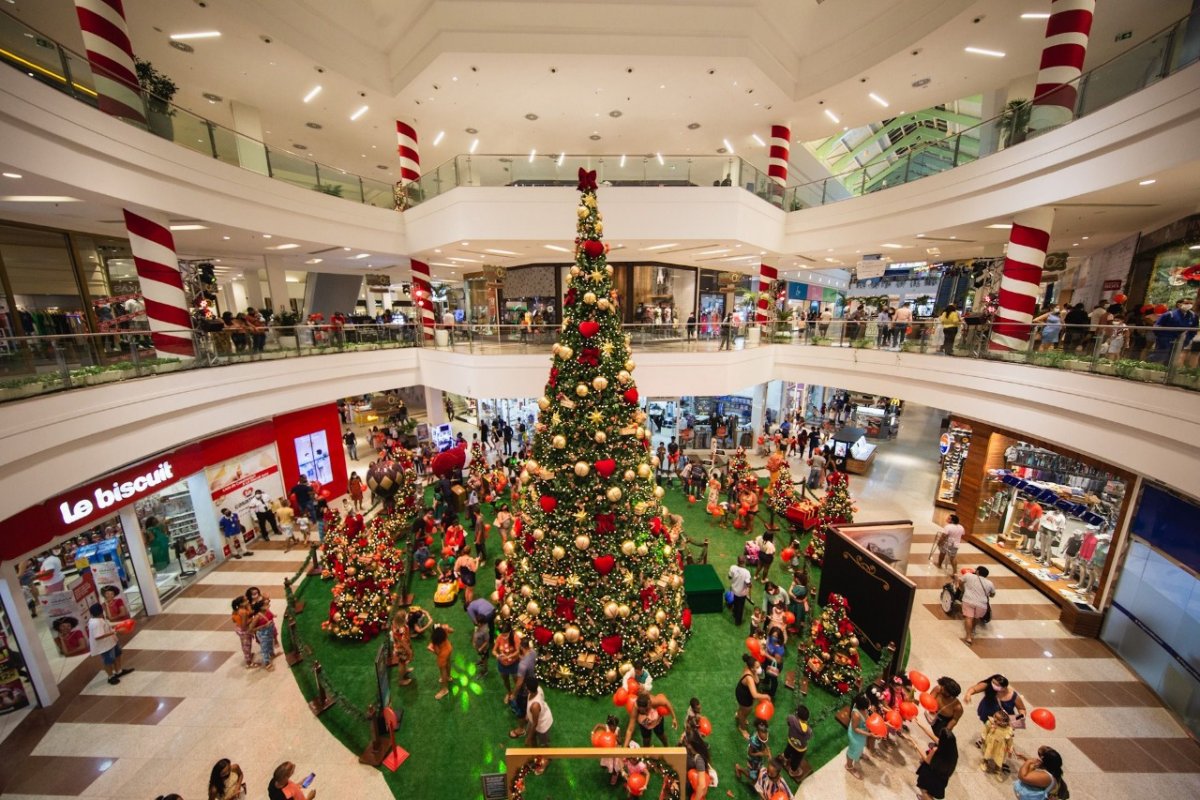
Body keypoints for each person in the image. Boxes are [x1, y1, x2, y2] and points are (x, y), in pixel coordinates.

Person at [909, 721, 958, 800]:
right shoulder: (952, 751)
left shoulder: (936, 750)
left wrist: (915, 744)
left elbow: (926, 759)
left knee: (924, 791)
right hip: (942, 779)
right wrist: (920, 724)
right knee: (930, 792)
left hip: (930, 775)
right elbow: (932, 736)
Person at [88, 602, 130, 685]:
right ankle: (110, 677)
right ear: (101, 611)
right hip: (105, 646)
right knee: (108, 661)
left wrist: (123, 622)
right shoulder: (96, 623)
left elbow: (108, 624)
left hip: (112, 642)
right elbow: (98, 636)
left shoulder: (100, 618)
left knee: (117, 655)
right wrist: (116, 631)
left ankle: (119, 671)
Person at [1150, 298, 1198, 363]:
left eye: (1191, 303)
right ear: (1179, 304)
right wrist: (1163, 337)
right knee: (1159, 356)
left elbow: (1193, 329)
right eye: (1186, 303)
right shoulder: (1169, 314)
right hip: (1165, 340)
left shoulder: (1193, 316)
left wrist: (1187, 339)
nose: (1189, 305)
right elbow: (1157, 327)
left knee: (1172, 359)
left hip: (1180, 341)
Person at [523, 675, 554, 773]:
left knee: (544, 744)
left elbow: (535, 724)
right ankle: (536, 756)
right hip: (535, 720)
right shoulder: (537, 688)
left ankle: (547, 759)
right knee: (532, 738)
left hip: (542, 724)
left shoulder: (535, 706)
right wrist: (528, 715)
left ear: (527, 688)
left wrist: (528, 738)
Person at [956, 566, 995, 645]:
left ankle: (968, 637)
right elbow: (992, 594)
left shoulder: (968, 576)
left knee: (969, 617)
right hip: (982, 604)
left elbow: (960, 582)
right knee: (976, 618)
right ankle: (973, 630)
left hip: (968, 600)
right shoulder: (990, 583)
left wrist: (963, 588)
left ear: (977, 571)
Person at [735, 654, 770, 739]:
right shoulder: (749, 678)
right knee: (745, 712)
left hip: (744, 692)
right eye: (757, 667)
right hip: (744, 696)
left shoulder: (750, 669)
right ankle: (742, 728)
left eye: (759, 666)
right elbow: (754, 694)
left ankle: (738, 714)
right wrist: (765, 696)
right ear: (751, 668)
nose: (759, 668)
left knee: (742, 710)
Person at [733, 718, 771, 783]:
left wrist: (769, 754)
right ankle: (739, 768)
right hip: (753, 759)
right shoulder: (753, 742)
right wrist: (760, 753)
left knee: (759, 769)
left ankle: (756, 774)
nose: (764, 740)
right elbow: (750, 753)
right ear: (758, 734)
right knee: (753, 776)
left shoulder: (764, 734)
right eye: (762, 739)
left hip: (759, 758)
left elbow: (765, 743)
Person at [782, 704, 813, 783]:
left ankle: (785, 759)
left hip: (791, 741)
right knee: (796, 759)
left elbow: (788, 721)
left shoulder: (791, 718)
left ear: (797, 714)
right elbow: (809, 737)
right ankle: (793, 771)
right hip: (800, 748)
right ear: (807, 719)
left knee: (788, 750)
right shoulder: (808, 730)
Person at [845, 693, 871, 779]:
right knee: (853, 750)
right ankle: (849, 766)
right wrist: (869, 734)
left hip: (862, 732)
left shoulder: (861, 706)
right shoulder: (856, 715)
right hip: (855, 735)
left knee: (860, 746)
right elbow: (855, 728)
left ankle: (859, 753)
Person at [981, 709, 1015, 773]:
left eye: (998, 719)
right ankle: (985, 762)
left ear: (1005, 722)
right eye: (995, 717)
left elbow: (1009, 740)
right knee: (987, 753)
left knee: (999, 757)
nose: (995, 719)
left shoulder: (1008, 730)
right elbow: (985, 730)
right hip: (990, 742)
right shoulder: (990, 723)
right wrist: (983, 737)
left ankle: (997, 767)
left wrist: (1010, 748)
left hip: (1001, 746)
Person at [493, 624, 522, 696]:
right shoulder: (500, 637)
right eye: (503, 634)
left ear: (509, 632)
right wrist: (497, 655)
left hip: (514, 664)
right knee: (505, 680)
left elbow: (518, 651)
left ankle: (517, 693)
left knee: (516, 679)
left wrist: (508, 656)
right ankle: (509, 692)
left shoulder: (515, 637)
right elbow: (494, 650)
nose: (504, 637)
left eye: (505, 635)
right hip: (502, 664)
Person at [428, 622, 454, 700]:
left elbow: (437, 652)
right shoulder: (443, 631)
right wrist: (447, 627)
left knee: (443, 671)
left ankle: (444, 689)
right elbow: (452, 630)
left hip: (442, 655)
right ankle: (449, 677)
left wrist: (432, 649)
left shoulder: (435, 639)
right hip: (449, 648)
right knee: (448, 662)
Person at [231, 596, 257, 669]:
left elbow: (234, 620)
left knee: (244, 644)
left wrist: (248, 606)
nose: (248, 601)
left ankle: (248, 657)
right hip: (244, 631)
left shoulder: (236, 610)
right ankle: (249, 663)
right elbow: (244, 626)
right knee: (247, 646)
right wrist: (252, 619)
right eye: (246, 600)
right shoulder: (243, 612)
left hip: (238, 628)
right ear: (241, 603)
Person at [249, 599, 276, 671]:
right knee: (264, 648)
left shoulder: (267, 611)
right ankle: (267, 662)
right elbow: (251, 629)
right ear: (261, 607)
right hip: (263, 633)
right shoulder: (257, 617)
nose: (268, 605)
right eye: (266, 605)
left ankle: (271, 653)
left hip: (270, 630)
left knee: (270, 643)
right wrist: (264, 626)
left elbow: (271, 616)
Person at [389, 609, 414, 685]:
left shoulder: (395, 623)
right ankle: (401, 680)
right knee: (401, 663)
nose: (407, 617)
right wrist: (409, 651)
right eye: (405, 617)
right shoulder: (401, 629)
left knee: (403, 662)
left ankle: (405, 670)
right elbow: (403, 642)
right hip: (402, 649)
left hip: (400, 646)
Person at [728, 556, 753, 626]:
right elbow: (748, 584)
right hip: (742, 593)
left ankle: (734, 613)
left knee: (736, 602)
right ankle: (738, 621)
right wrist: (750, 584)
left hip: (734, 590)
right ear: (744, 562)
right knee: (740, 607)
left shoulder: (732, 567)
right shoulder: (746, 572)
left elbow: (729, 577)